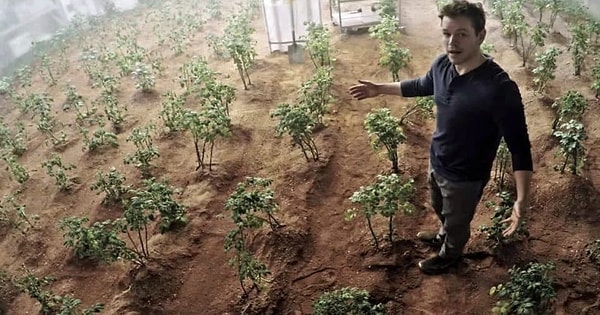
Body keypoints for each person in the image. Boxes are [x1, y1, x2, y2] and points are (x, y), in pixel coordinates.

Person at [348, 0, 533, 275]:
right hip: (438, 161)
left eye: (462, 34)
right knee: (440, 207)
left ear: (480, 35)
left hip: (466, 176)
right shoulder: (443, 65)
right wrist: (380, 89)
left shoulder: (499, 89)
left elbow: (520, 147)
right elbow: (422, 84)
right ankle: (443, 233)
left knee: (458, 220)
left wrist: (522, 200)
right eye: (447, 34)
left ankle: (451, 255)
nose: (452, 43)